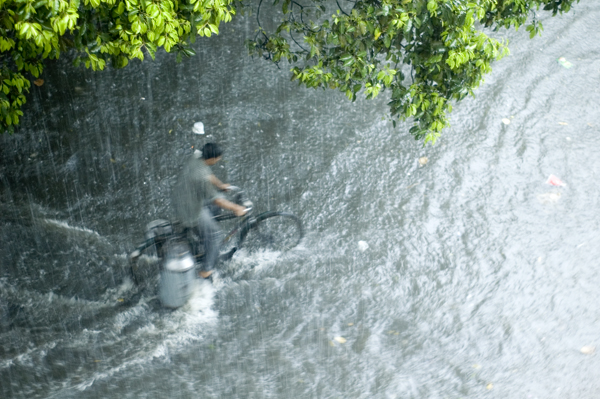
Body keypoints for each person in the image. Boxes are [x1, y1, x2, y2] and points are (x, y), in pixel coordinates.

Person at [172, 143, 247, 279]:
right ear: (212, 159)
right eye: (218, 158)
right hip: (190, 209)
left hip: (183, 197)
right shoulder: (200, 178)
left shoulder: (197, 157)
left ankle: (203, 237)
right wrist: (237, 208)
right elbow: (216, 199)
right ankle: (206, 270)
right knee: (216, 235)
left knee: (216, 208)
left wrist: (220, 185)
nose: (218, 161)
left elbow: (209, 174)